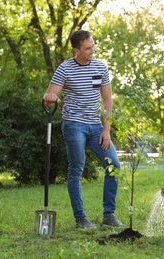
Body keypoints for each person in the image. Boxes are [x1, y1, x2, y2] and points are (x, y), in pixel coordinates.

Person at [43, 30, 123, 229]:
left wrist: (107, 130)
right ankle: (81, 218)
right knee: (76, 169)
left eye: (93, 45)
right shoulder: (65, 69)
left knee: (114, 167)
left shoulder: (100, 68)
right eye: (88, 48)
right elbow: (49, 95)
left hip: (96, 126)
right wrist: (50, 98)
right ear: (76, 49)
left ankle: (109, 215)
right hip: (74, 125)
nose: (92, 50)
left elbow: (107, 100)